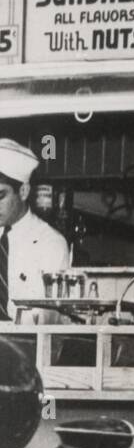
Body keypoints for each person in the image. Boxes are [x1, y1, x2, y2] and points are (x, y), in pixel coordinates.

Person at [0, 138, 71, 321]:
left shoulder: (50, 243)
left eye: (1, 195)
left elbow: (51, 318)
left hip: (28, 346)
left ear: (23, 191)